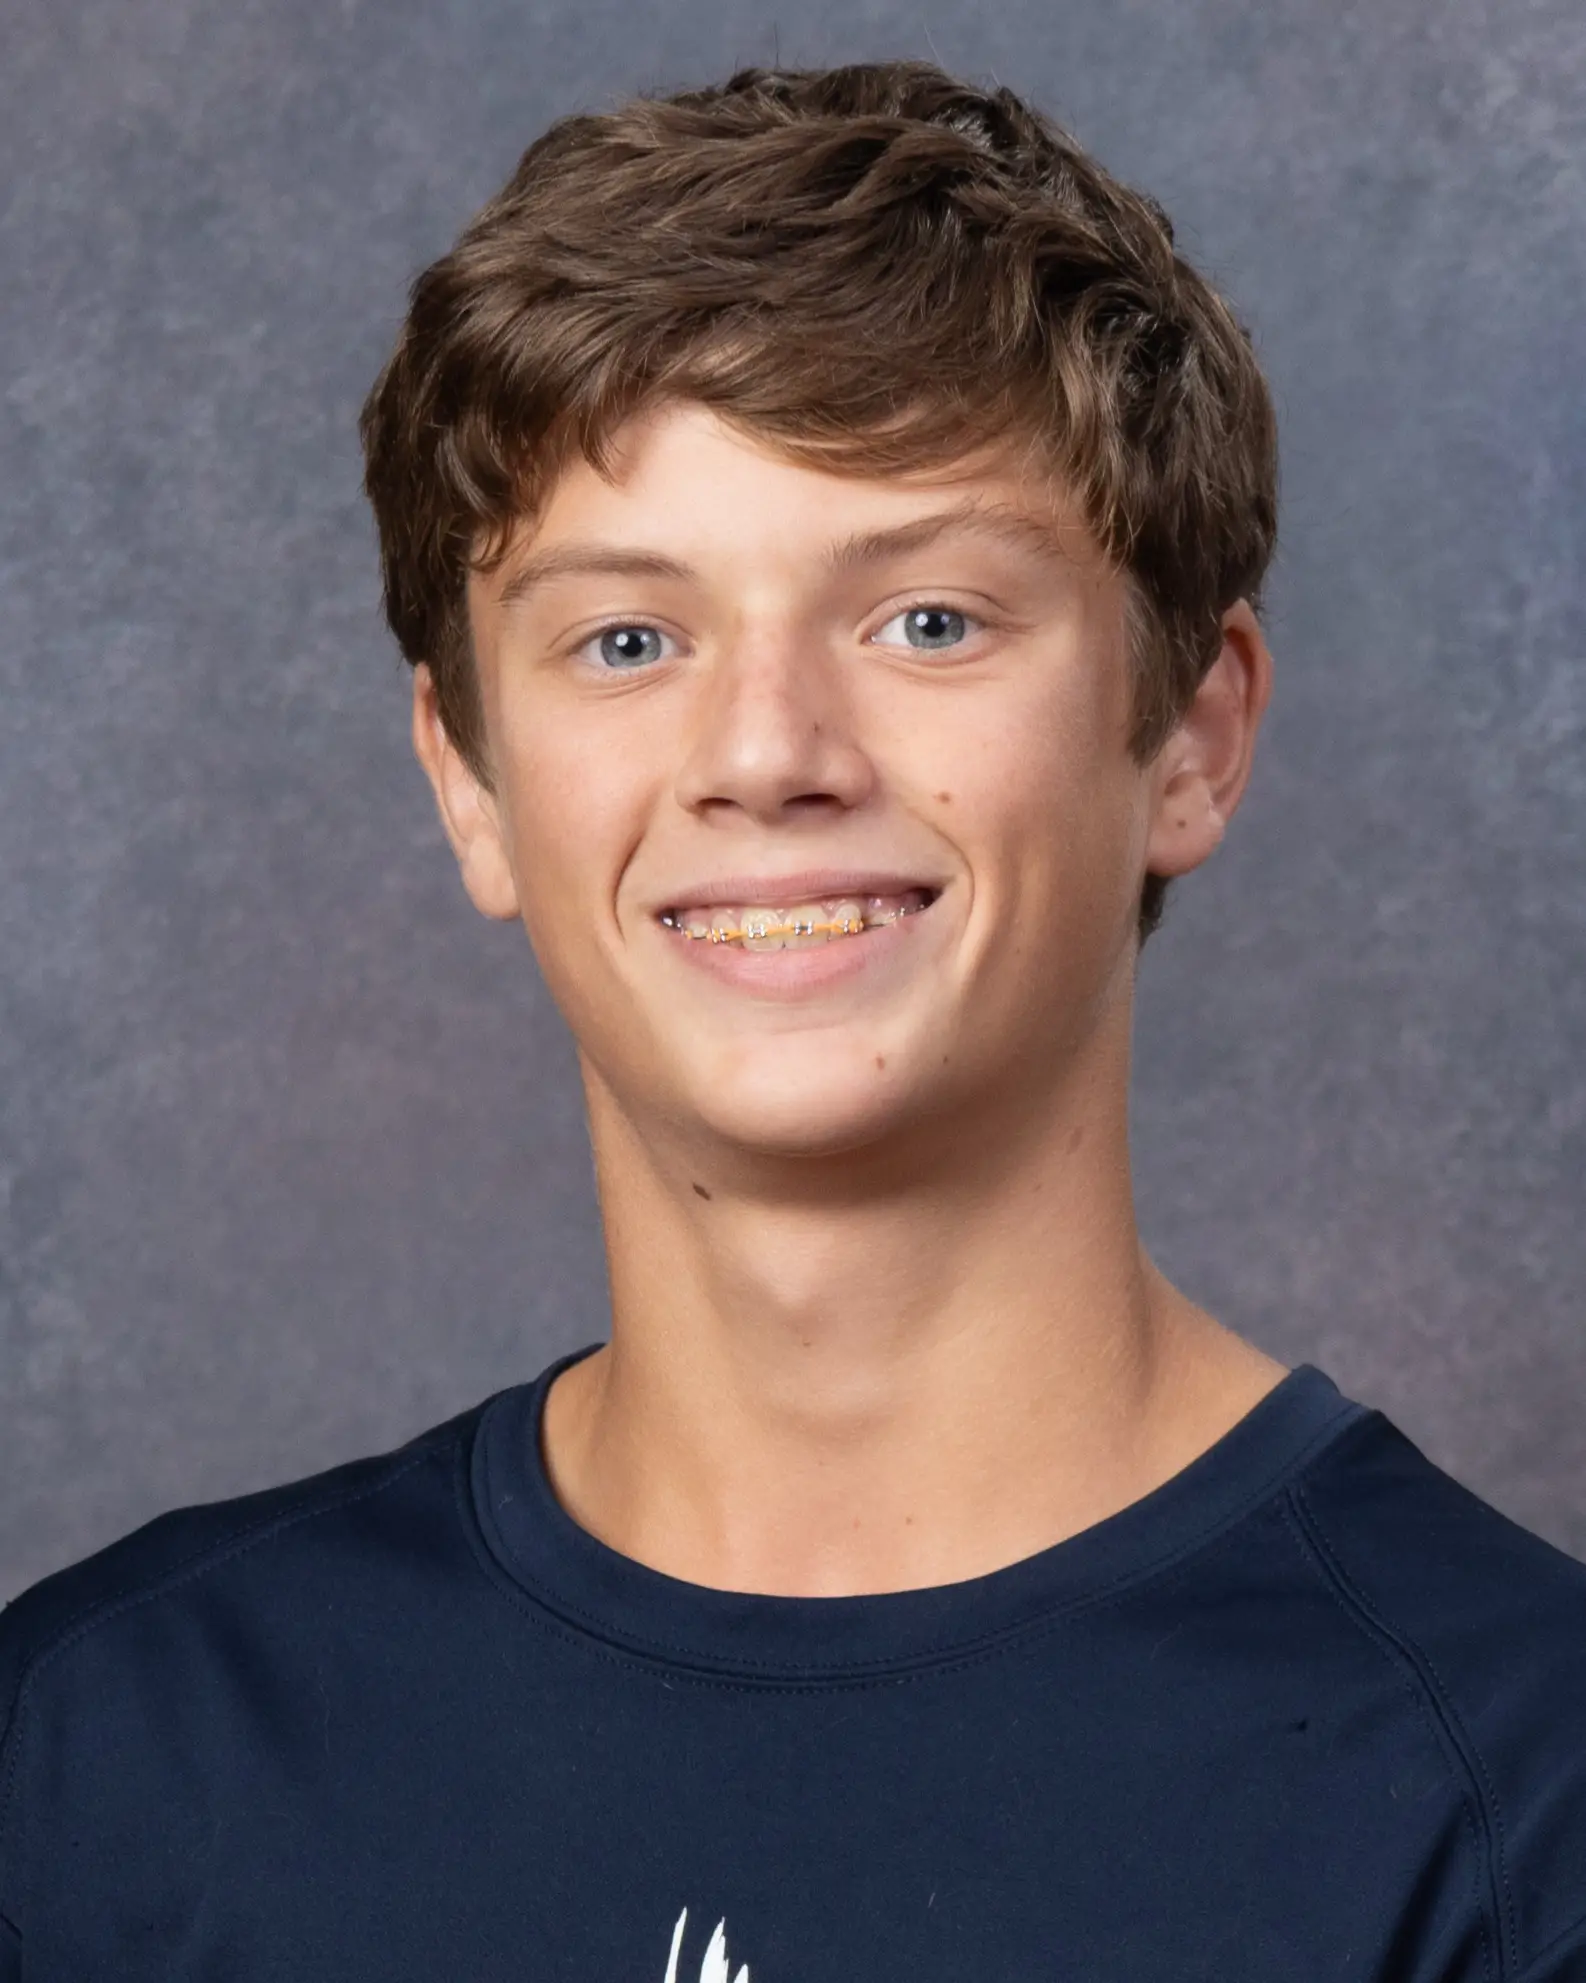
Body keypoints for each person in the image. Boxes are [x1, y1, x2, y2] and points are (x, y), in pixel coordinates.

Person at [1, 58, 1582, 1982]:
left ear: (1189, 735)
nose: (764, 752)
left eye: (928, 619)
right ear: (470, 783)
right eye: (627, 639)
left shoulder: (1519, 1800)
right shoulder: (96, 1764)